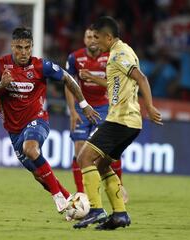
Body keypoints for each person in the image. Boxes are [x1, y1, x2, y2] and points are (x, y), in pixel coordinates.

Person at [0, 27, 100, 214]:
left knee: (31, 148)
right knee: (38, 175)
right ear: (12, 46)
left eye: (28, 47)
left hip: (37, 120)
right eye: (19, 47)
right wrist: (1, 85)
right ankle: (70, 202)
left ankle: (57, 195)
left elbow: (68, 78)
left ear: (32, 47)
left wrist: (83, 104)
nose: (24, 52)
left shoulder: (41, 66)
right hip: (13, 129)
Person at [73, 16, 162, 230]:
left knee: (84, 157)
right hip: (129, 122)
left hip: (121, 119)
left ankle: (95, 209)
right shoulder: (121, 51)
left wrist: (149, 107)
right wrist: (94, 79)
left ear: (108, 37)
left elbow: (141, 78)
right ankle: (120, 215)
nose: (94, 42)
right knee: (103, 164)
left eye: (97, 37)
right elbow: (116, 83)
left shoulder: (119, 54)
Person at [64, 28, 127, 202]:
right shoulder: (74, 58)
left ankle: (118, 187)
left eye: (95, 37)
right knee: (79, 151)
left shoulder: (110, 57)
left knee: (109, 152)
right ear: (84, 39)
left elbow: (116, 85)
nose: (92, 39)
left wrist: (91, 77)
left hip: (104, 108)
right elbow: (69, 84)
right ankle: (81, 194)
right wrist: (72, 111)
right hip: (82, 108)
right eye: (88, 36)